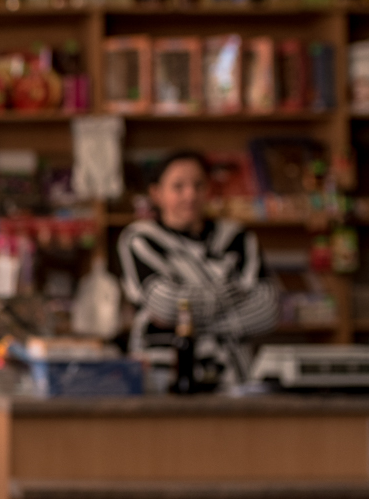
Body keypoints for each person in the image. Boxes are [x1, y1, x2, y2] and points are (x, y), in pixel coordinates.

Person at [116, 150, 279, 384]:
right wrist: (234, 294)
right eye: (178, 187)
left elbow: (268, 311)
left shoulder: (238, 237)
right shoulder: (140, 239)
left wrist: (186, 322)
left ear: (209, 189)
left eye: (198, 185)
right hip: (163, 378)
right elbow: (165, 306)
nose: (190, 195)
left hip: (233, 379)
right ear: (156, 193)